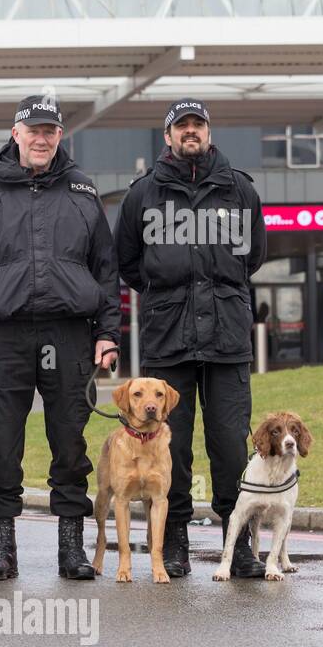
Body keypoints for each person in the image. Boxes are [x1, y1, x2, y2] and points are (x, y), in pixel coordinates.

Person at [0, 95, 120, 581]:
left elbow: (106, 270)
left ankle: (71, 548)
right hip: (3, 337)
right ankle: (2, 548)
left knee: (70, 442)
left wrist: (107, 334)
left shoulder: (82, 190)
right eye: (33, 130)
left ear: (60, 136)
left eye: (51, 131)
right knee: (1, 443)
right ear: (16, 133)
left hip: (70, 336)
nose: (42, 139)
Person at [115, 98, 268, 577]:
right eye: (181, 126)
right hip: (168, 338)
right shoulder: (143, 194)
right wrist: (167, 297)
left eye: (197, 125)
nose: (190, 132)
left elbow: (254, 256)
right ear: (167, 136)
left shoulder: (240, 190)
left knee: (228, 444)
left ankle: (238, 543)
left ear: (208, 131)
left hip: (226, 339)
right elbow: (128, 262)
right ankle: (174, 540)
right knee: (171, 449)